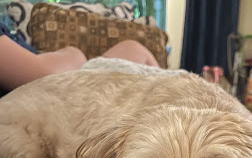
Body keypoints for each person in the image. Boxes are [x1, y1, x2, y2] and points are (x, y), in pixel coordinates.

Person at [0, 22, 160, 93]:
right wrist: (73, 52)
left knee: (132, 48)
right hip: (57, 90)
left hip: (66, 83)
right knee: (134, 50)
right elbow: (45, 76)